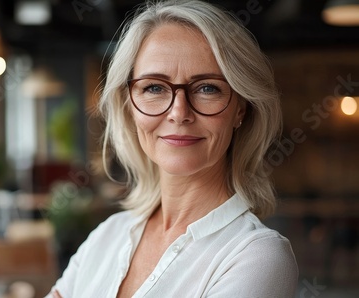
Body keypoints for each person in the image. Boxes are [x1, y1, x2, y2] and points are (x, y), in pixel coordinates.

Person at [47, 0, 298, 297]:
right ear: (129, 106)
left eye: (207, 88)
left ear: (240, 109)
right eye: (154, 87)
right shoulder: (109, 234)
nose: (179, 113)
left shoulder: (256, 257)